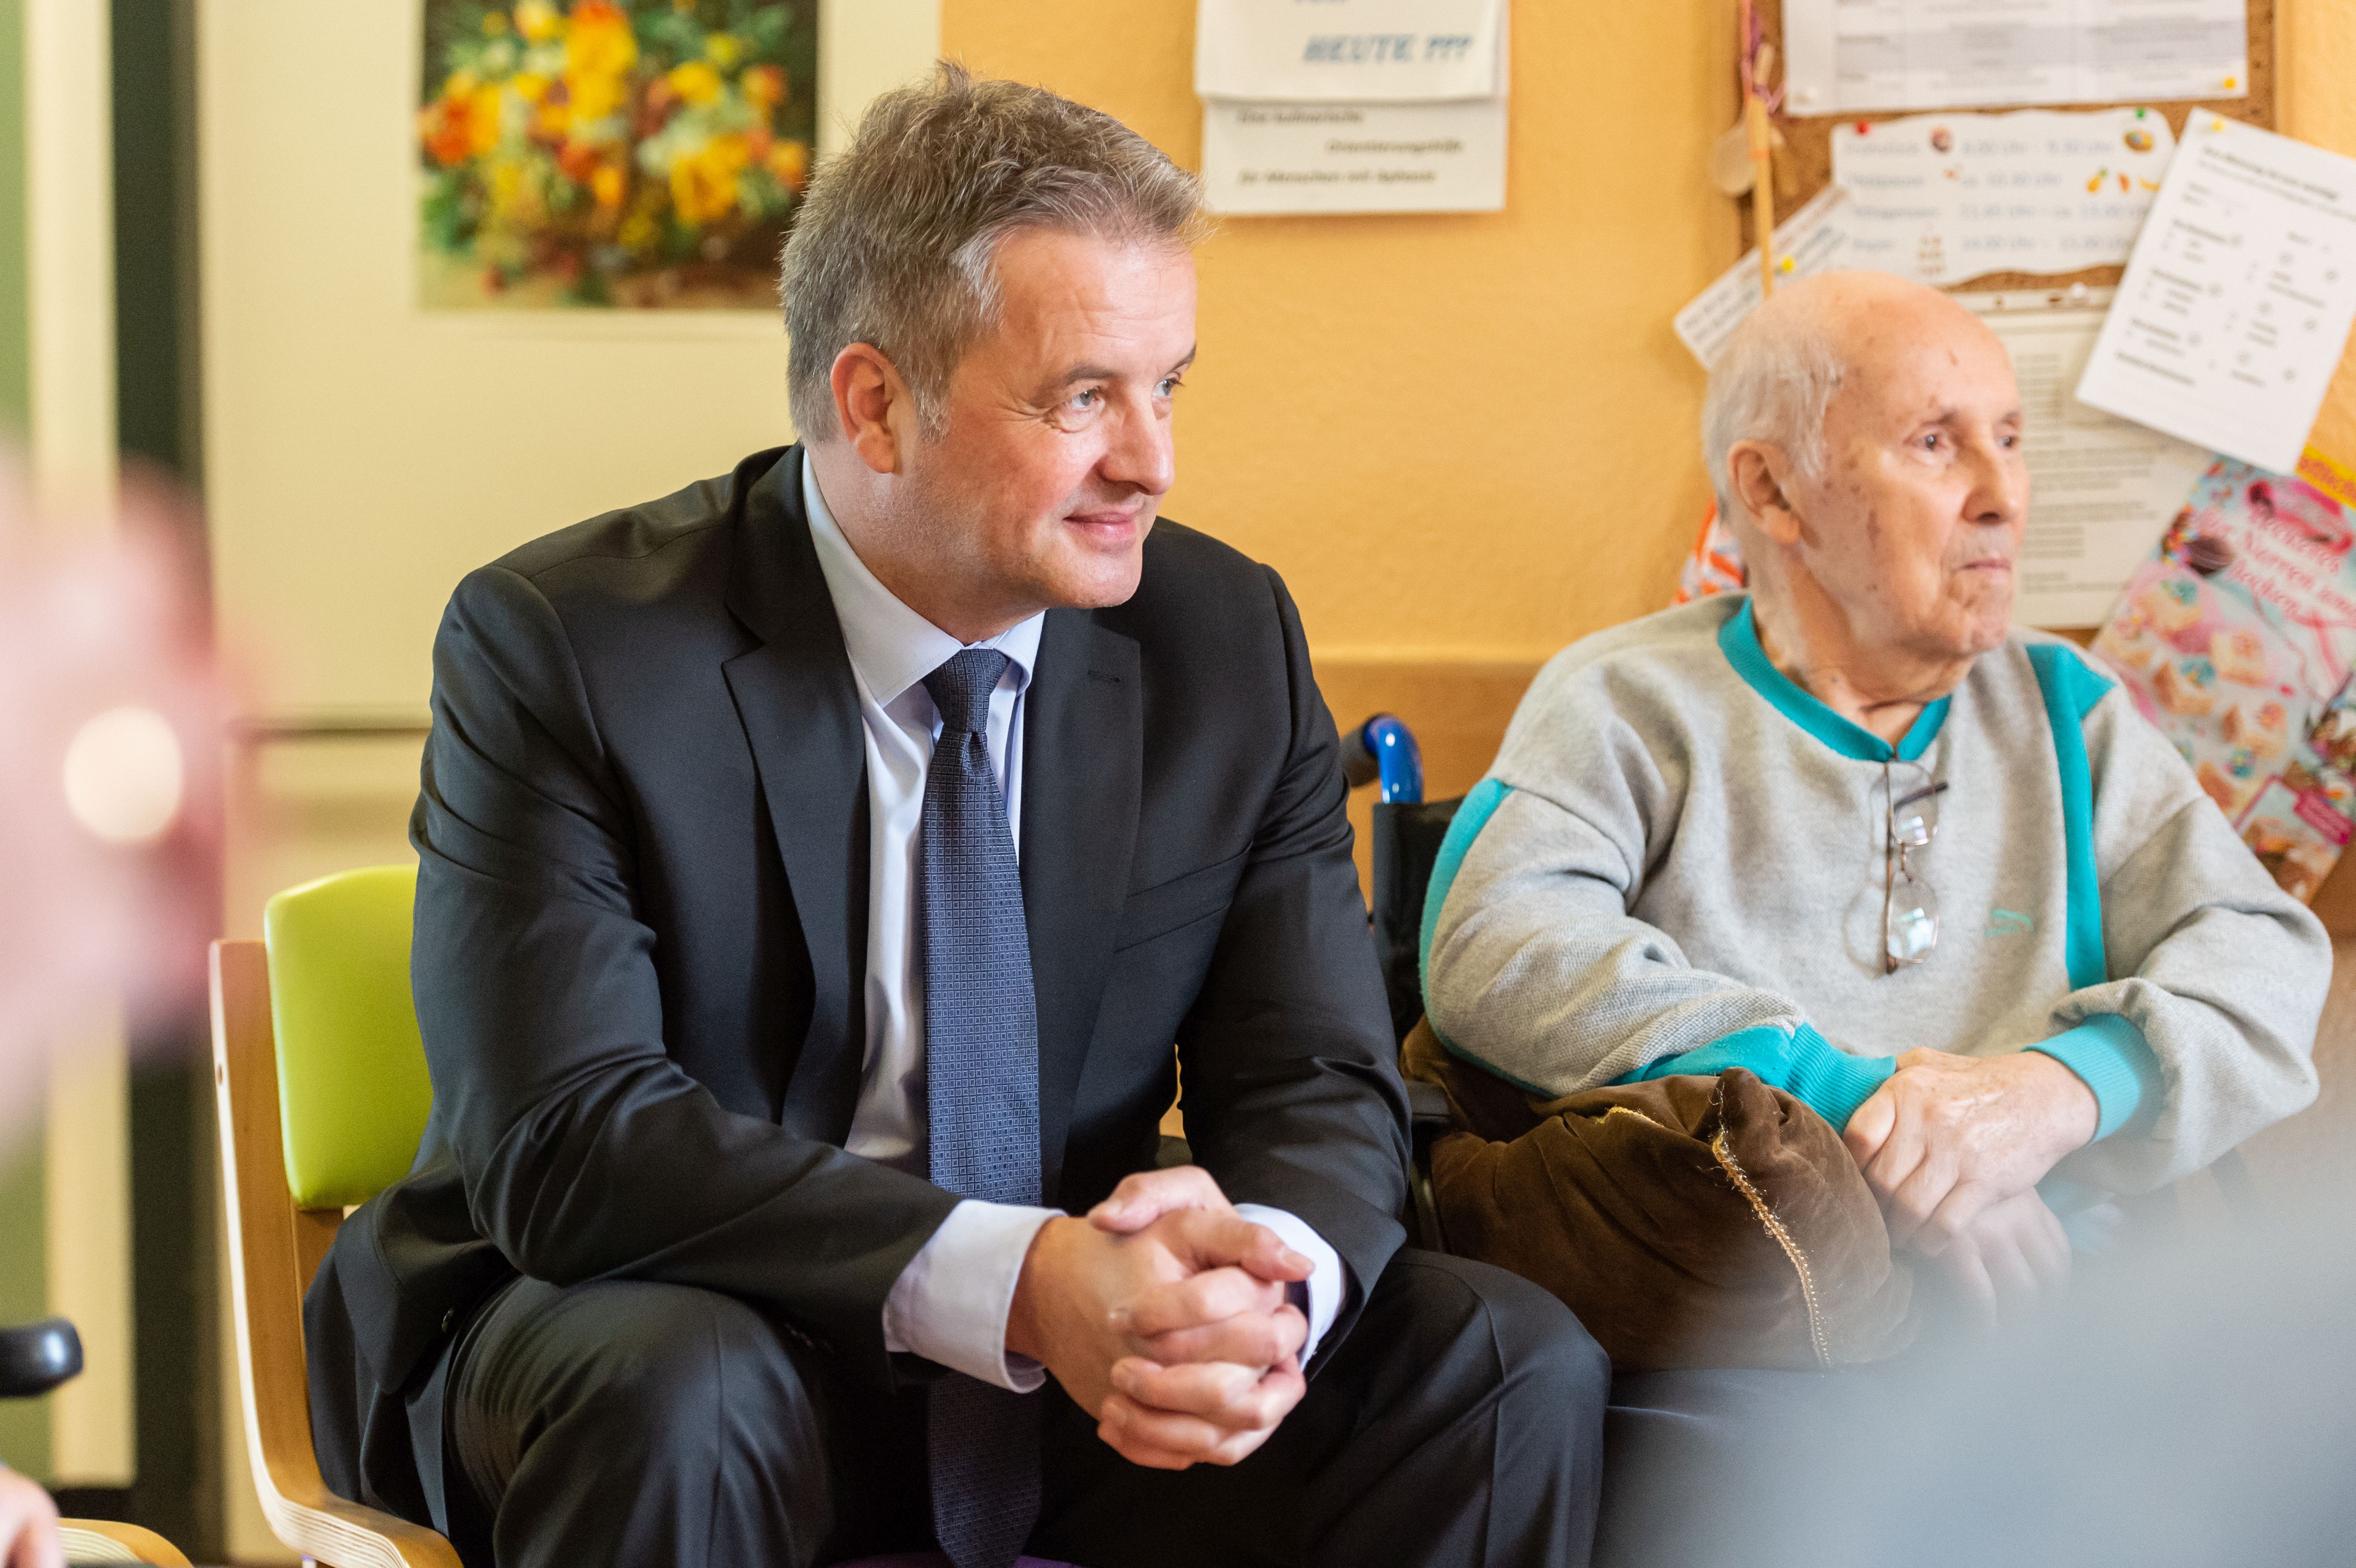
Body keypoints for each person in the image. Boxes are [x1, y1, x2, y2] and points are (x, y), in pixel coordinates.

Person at [303, 65, 1607, 1568]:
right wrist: (1019, 1274)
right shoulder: (572, 646)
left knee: (1501, 1367)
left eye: (1168, 386)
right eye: (1084, 399)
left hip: (1060, 1372)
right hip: (669, 1319)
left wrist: (1264, 1289)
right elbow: (573, 1142)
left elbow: (1313, 1071)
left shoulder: (1223, 638)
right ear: (874, 404)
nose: (1154, 462)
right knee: (685, 1388)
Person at [1422, 270, 2329, 1321]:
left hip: (2065, 1319)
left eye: (2010, 436)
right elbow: (1497, 945)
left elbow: (2260, 954)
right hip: (1754, 1317)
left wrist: (2046, 1096)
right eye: (1936, 443)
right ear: (1771, 492)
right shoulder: (1626, 701)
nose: (2004, 492)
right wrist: (1863, 1115)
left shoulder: (2066, 708)